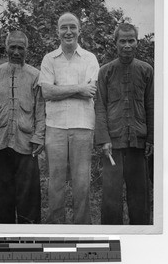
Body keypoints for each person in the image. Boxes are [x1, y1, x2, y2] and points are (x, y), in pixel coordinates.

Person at [39, 12, 99, 224]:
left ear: (79, 31)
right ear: (57, 31)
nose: (68, 31)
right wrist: (79, 88)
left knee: (81, 181)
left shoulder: (90, 58)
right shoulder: (49, 59)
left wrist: (61, 89)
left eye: (72, 27)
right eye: (63, 27)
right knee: (55, 180)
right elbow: (47, 92)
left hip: (83, 126)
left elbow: (90, 91)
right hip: (54, 126)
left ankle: (82, 226)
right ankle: (55, 225)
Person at [95, 23, 154, 225]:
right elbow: (100, 107)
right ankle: (111, 235)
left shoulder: (146, 70)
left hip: (139, 142)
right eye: (123, 41)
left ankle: (141, 237)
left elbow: (151, 106)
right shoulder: (105, 72)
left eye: (131, 40)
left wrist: (151, 139)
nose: (127, 45)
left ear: (137, 42)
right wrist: (103, 139)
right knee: (111, 196)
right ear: (115, 43)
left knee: (139, 196)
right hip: (112, 145)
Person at [0, 30, 45, 224]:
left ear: (26, 49)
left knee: (29, 196)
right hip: (1, 141)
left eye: (21, 48)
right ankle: (1, 235)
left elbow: (41, 110)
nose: (17, 52)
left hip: (26, 143)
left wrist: (38, 137)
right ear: (7, 48)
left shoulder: (35, 75)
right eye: (13, 47)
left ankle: (30, 234)